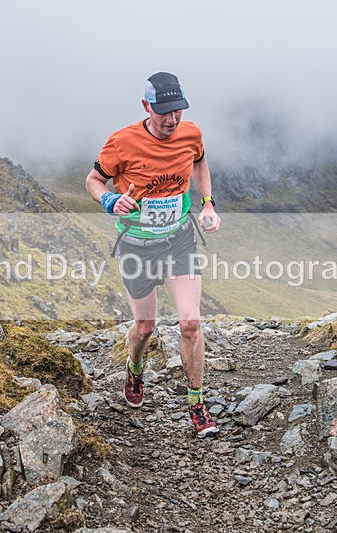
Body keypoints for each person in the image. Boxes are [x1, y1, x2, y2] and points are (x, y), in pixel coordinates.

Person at [85, 72, 221, 437]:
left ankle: (196, 403)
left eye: (177, 110)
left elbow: (200, 161)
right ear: (146, 106)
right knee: (145, 327)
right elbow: (93, 181)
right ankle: (135, 367)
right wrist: (110, 199)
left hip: (179, 240)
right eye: (163, 112)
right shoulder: (122, 142)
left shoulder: (191, 133)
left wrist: (207, 203)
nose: (171, 120)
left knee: (191, 323)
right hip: (136, 246)